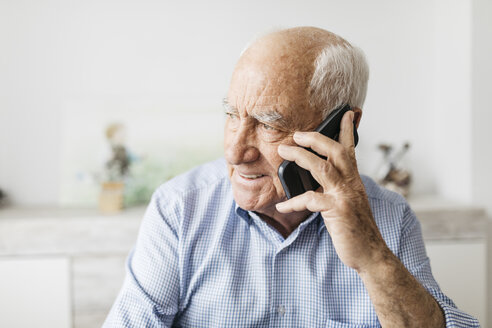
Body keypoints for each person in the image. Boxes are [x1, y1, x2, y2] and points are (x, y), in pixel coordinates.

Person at [104, 27, 479, 327]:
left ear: (340, 128)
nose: (235, 153)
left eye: (268, 124)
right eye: (232, 115)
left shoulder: (389, 217)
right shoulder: (179, 208)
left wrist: (373, 259)